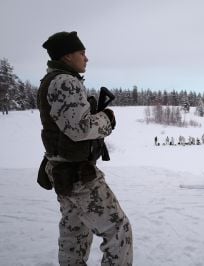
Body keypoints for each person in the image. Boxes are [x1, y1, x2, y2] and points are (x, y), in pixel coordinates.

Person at [37, 31, 133, 265]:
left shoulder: (52, 80)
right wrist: (106, 119)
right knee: (118, 230)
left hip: (63, 170)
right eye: (82, 53)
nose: (86, 58)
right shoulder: (65, 82)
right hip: (78, 174)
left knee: (75, 231)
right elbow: (79, 129)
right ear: (67, 56)